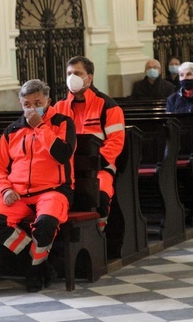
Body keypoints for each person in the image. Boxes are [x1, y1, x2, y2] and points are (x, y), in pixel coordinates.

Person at [0, 79, 76, 293]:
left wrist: (40, 127)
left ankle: (34, 271)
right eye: (27, 104)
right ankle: (38, 260)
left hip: (53, 190)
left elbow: (63, 155)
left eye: (37, 103)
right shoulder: (12, 130)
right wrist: (5, 189)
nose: (32, 108)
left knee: (45, 223)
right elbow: (0, 169)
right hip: (18, 193)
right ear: (20, 104)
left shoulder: (63, 123)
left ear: (48, 101)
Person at [54, 56, 125, 232]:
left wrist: (92, 164)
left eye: (77, 73)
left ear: (90, 77)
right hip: (66, 169)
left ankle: (99, 236)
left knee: (99, 194)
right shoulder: (58, 107)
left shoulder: (107, 105)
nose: (72, 77)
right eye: (69, 73)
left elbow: (116, 142)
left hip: (99, 167)